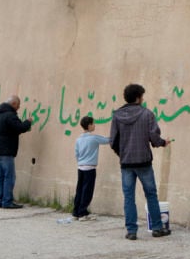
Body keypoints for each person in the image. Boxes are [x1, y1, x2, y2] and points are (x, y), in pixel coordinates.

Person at [110, 83, 172, 240]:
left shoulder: (117, 116)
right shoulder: (147, 114)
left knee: (128, 197)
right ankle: (157, 228)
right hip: (144, 161)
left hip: (126, 163)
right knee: (151, 194)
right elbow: (154, 137)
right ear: (138, 98)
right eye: (142, 96)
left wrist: (123, 154)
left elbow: (113, 141)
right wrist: (163, 142)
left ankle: (131, 231)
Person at [0, 95, 32, 209]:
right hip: (6, 150)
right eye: (18, 105)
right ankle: (7, 201)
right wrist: (28, 122)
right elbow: (20, 128)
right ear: (14, 104)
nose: (18, 108)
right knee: (9, 176)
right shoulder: (10, 115)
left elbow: (9, 130)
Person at [72, 116, 110, 221]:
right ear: (89, 125)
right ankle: (82, 213)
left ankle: (76, 211)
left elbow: (76, 154)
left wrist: (81, 162)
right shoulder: (94, 138)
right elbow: (107, 140)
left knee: (79, 189)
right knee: (87, 191)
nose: (94, 125)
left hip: (80, 167)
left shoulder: (78, 139)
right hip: (90, 168)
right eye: (93, 123)